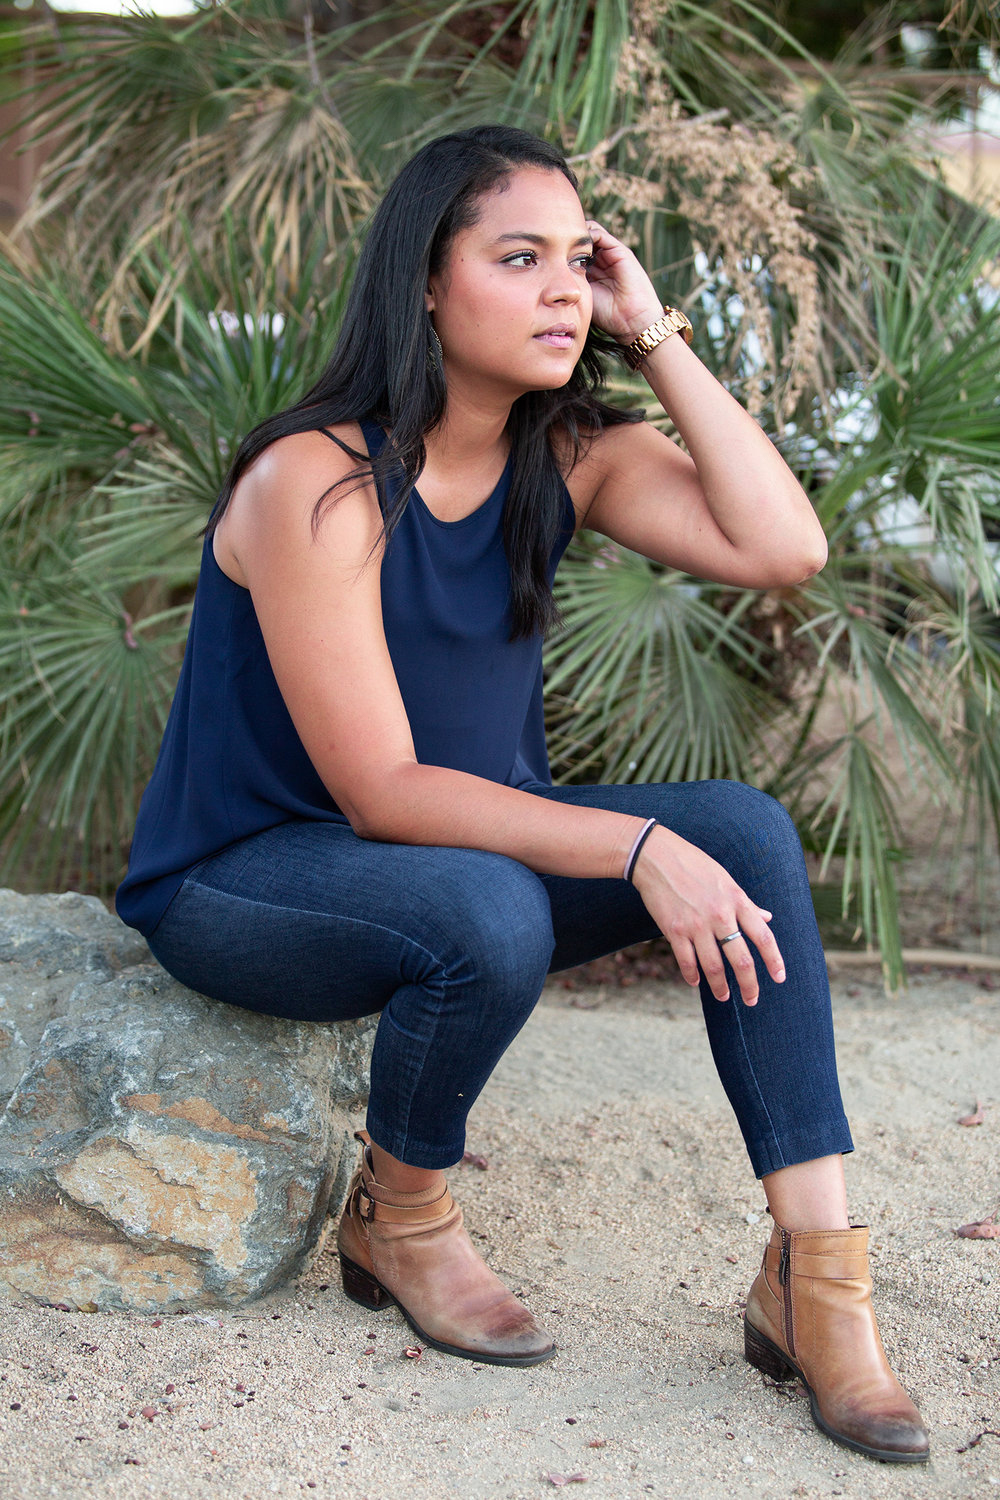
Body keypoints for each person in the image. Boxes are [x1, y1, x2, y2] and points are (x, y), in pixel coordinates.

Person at [116, 124, 928, 1464]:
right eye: (520, 258)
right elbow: (379, 790)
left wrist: (653, 328)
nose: (566, 290)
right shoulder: (310, 480)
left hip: (454, 866)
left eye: (580, 260)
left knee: (746, 832)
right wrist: (634, 845)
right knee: (491, 905)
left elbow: (784, 546)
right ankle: (407, 1215)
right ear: (427, 283)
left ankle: (817, 1278)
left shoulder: (567, 456)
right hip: (250, 879)